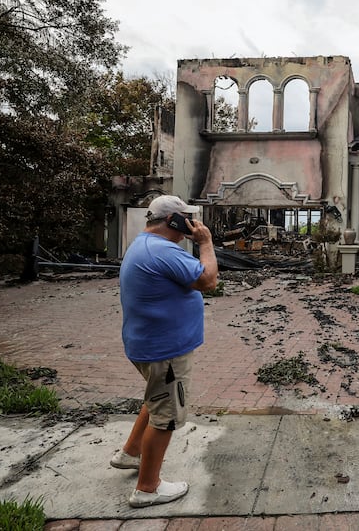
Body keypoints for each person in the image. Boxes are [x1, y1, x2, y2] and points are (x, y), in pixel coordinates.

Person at [110, 194, 218, 508]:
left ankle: (130, 453)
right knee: (166, 417)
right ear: (174, 220)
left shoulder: (143, 245)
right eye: (187, 218)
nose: (193, 223)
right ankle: (148, 488)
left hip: (150, 345)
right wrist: (205, 244)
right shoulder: (162, 250)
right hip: (165, 351)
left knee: (157, 398)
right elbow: (208, 279)